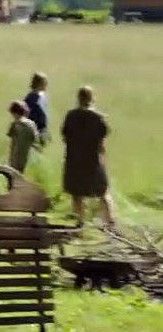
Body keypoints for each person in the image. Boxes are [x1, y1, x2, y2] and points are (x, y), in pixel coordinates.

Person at [59, 85, 117, 229]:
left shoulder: (71, 116)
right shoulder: (98, 118)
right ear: (92, 98)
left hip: (74, 159)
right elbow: (102, 142)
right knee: (103, 191)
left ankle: (80, 221)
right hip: (93, 159)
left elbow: (65, 137)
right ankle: (110, 221)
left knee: (77, 193)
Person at [5, 99, 40, 174]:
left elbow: (11, 137)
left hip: (15, 155)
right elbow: (36, 138)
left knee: (14, 173)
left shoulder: (15, 124)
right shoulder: (31, 124)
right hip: (27, 154)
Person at [23, 72, 51, 147]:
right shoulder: (31, 99)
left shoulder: (41, 97)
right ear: (40, 84)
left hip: (39, 130)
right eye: (45, 83)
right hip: (33, 131)